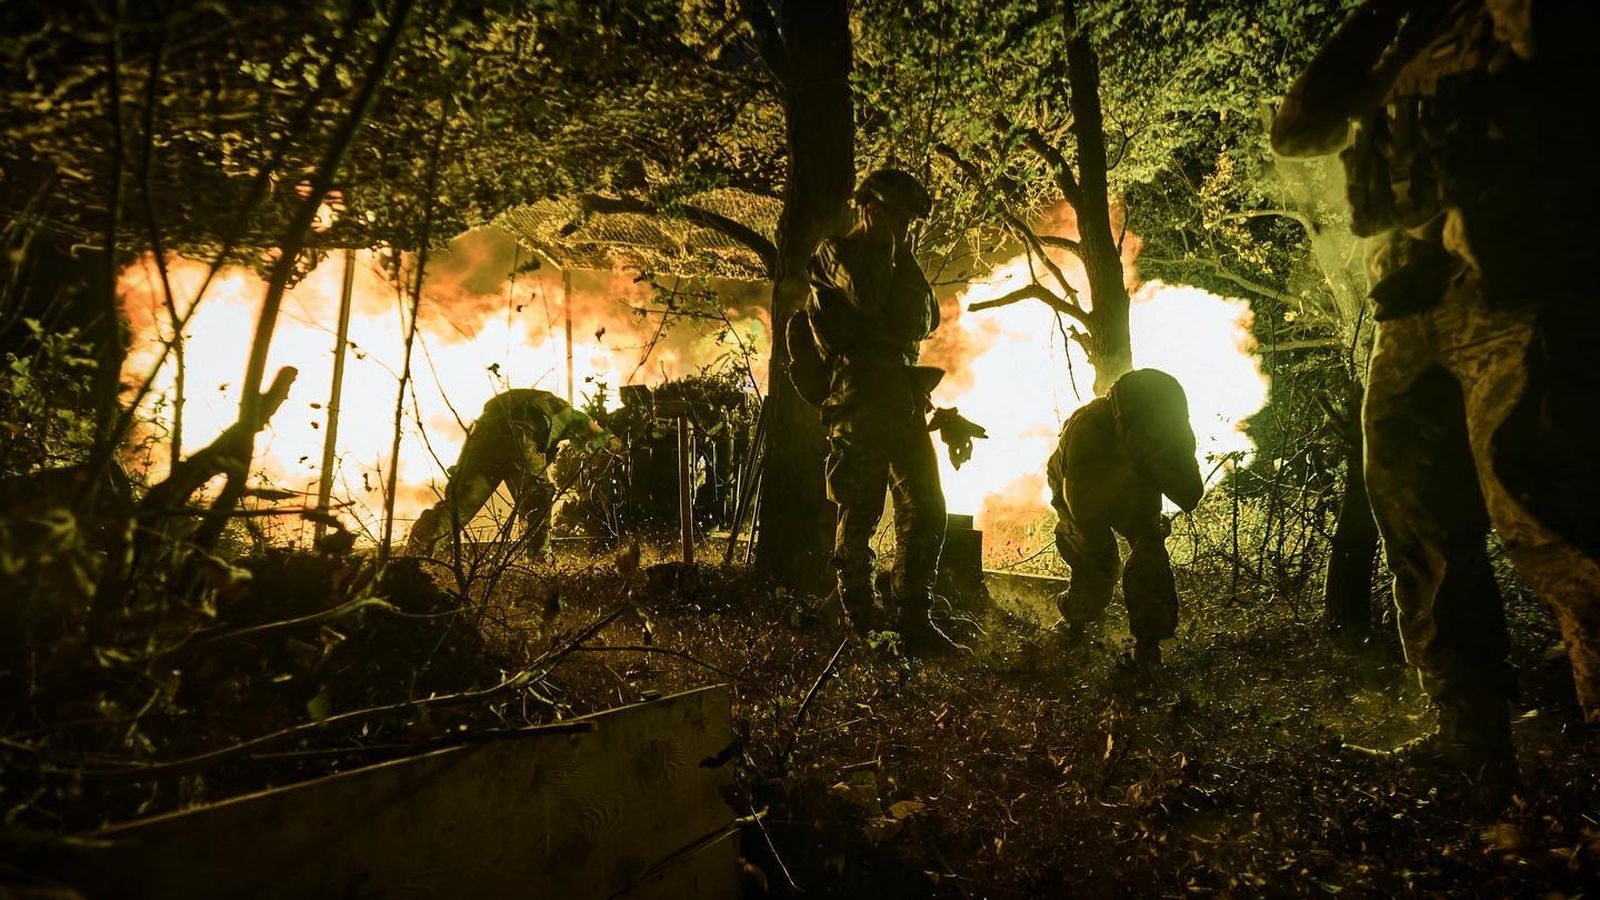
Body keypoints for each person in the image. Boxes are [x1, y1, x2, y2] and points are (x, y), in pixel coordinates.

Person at [1273, 0, 1600, 786]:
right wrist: (1378, 21)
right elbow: (1300, 131)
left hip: (1519, 288)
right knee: (1416, 516)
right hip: (1412, 301)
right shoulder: (1410, 31)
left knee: (1547, 515)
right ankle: (1470, 734)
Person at [803, 168, 981, 651]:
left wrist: (901, 253)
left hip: (899, 400)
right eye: (898, 216)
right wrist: (886, 245)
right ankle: (860, 620)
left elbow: (922, 320)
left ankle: (914, 619)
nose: (905, 227)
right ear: (872, 208)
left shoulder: (899, 257)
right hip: (856, 400)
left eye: (909, 221)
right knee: (860, 512)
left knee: (927, 509)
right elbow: (868, 297)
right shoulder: (835, 253)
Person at [1047, 369, 1203, 673]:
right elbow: (1081, 506)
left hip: (1131, 488)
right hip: (1082, 488)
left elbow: (1190, 496)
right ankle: (1073, 620)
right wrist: (1132, 462)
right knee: (1100, 565)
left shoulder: (1171, 429)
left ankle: (1148, 647)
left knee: (1151, 552)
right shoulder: (1087, 428)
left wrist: (1155, 459)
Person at [406, 388, 613, 560]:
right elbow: (591, 427)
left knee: (461, 504)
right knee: (538, 499)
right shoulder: (565, 412)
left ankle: (416, 551)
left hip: (482, 434)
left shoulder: (534, 405)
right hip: (519, 435)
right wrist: (614, 444)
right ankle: (538, 560)